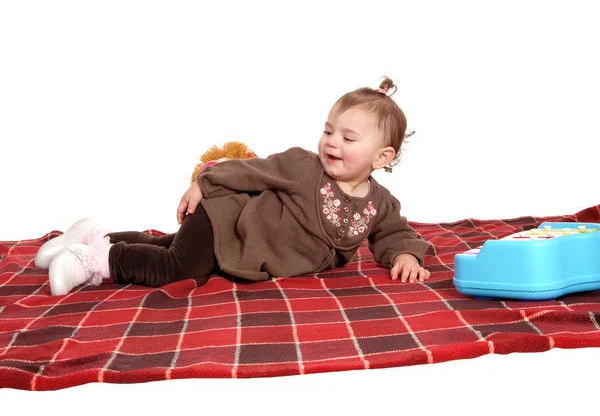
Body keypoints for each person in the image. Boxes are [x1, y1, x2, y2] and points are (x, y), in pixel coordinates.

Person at [36, 76, 431, 296]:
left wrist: (405, 256)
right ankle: (93, 262)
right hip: (226, 220)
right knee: (178, 268)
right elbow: (251, 170)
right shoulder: (302, 166)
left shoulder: (380, 203)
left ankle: (92, 236)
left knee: (166, 246)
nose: (331, 142)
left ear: (382, 157)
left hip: (239, 247)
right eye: (328, 130)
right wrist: (204, 183)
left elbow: (394, 232)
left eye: (348, 138)